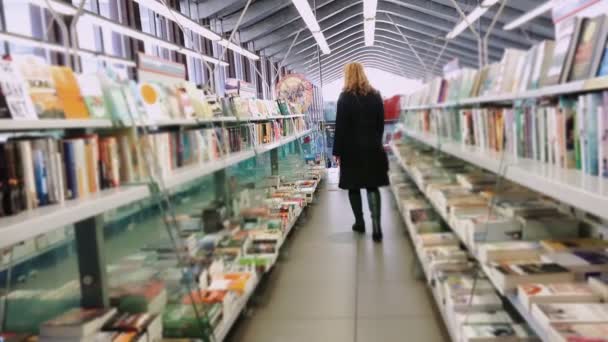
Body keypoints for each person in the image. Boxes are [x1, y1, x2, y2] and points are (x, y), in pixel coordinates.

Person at [332, 63, 389, 243]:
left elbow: (340, 128)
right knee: (373, 185)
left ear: (347, 75)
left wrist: (337, 152)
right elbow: (381, 124)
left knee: (354, 186)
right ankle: (377, 227)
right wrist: (376, 141)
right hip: (373, 148)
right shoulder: (376, 95)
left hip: (351, 150)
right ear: (363, 74)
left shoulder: (344, 98)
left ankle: (360, 222)